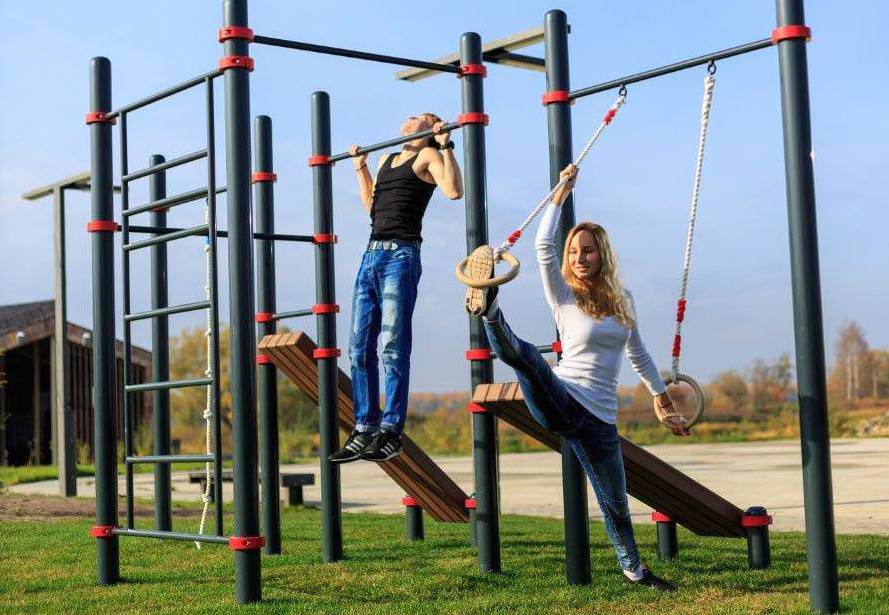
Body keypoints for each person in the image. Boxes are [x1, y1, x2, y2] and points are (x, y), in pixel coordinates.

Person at [463, 164, 689, 591]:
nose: (579, 258)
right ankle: (489, 310)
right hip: (562, 397)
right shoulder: (563, 294)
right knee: (529, 359)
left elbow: (638, 352)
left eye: (587, 251)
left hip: (601, 419)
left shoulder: (622, 299)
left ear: (602, 254)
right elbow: (542, 247)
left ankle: (635, 572)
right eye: (573, 252)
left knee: (615, 503)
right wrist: (560, 195)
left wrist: (661, 397)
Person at [330, 113, 464, 463]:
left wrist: (446, 144)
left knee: (392, 345)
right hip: (371, 255)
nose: (408, 119)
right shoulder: (386, 159)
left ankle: (391, 430)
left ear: (430, 129)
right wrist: (360, 167)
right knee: (358, 348)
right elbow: (372, 209)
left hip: (401, 256)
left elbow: (454, 191)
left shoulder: (428, 156)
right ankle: (364, 427)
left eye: (418, 117)